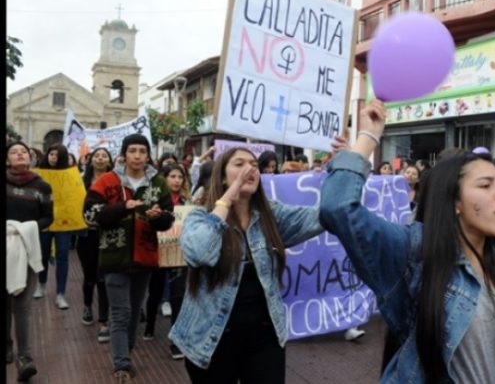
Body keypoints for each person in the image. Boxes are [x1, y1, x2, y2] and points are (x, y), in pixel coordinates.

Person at [319, 102, 495, 383]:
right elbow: (338, 208)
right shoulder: (417, 252)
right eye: (485, 185)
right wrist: (368, 137)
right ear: (454, 201)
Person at [169, 144, 342, 383]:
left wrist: (347, 164)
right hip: (211, 340)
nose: (249, 169)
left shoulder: (271, 217)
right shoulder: (200, 217)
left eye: (253, 165)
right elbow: (199, 252)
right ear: (221, 175)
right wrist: (228, 198)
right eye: (239, 164)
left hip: (264, 340)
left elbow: (326, 214)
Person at [83, 134, 175, 382]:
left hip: (146, 256)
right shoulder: (106, 181)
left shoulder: (158, 183)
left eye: (142, 151)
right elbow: (90, 215)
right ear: (124, 154)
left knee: (135, 310)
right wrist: (123, 207)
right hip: (115, 257)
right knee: (121, 312)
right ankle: (121, 364)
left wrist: (159, 217)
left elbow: (169, 218)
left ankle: (127, 349)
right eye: (132, 150)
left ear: (148, 155)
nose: (137, 155)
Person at [6, 141, 53, 381]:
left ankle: (25, 358)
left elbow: (48, 217)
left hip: (27, 248)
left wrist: (28, 228)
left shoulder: (41, 186)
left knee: (22, 304)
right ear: (7, 159)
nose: (19, 154)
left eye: (23, 151)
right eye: (14, 152)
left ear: (31, 156)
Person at [144, 163, 191, 360]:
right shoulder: (157, 201)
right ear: (164, 178)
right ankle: (149, 325)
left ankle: (176, 340)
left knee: (178, 296)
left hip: (179, 254)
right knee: (155, 292)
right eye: (172, 176)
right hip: (157, 252)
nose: (176, 180)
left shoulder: (187, 202)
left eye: (180, 177)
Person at [34, 143, 81, 309]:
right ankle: (41, 284)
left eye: (57, 155)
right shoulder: (38, 174)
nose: (53, 157)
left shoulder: (71, 175)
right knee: (43, 255)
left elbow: (76, 197)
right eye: (51, 154)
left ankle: (61, 293)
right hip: (44, 222)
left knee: (62, 257)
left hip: (64, 222)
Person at [76, 148, 113, 344]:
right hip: (87, 233)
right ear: (90, 161)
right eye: (96, 155)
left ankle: (104, 321)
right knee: (89, 274)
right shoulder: (80, 180)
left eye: (104, 155)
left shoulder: (116, 181)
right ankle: (87, 305)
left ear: (110, 160)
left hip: (108, 233)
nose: (100, 158)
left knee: (103, 274)